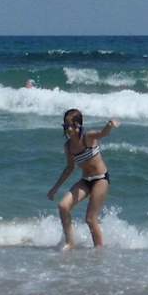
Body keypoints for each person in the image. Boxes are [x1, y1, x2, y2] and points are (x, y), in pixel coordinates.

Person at [49, 107, 119, 249]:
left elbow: (103, 133)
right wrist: (55, 188)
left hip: (100, 179)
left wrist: (110, 125)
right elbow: (70, 168)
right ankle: (70, 243)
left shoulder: (88, 137)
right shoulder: (68, 146)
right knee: (63, 206)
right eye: (66, 126)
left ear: (78, 125)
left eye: (71, 125)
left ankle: (99, 251)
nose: (68, 129)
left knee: (90, 219)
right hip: (86, 181)